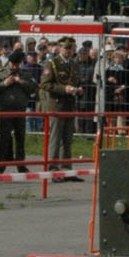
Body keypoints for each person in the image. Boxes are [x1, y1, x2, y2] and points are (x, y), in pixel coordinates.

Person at [39, 36, 84, 173]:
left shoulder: (74, 64)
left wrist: (79, 89)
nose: (69, 51)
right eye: (66, 48)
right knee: (55, 138)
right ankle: (53, 167)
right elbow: (45, 84)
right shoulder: (52, 63)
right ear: (59, 48)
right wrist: (63, 89)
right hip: (56, 105)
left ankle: (66, 168)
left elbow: (76, 81)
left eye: (71, 48)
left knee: (68, 139)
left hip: (69, 105)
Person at [0, 49, 37, 172]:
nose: (14, 66)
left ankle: (20, 164)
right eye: (12, 64)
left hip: (20, 110)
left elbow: (34, 88)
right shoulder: (0, 73)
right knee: (4, 138)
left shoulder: (25, 74)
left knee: (20, 138)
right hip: (5, 110)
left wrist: (21, 82)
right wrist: (4, 83)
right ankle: (1, 165)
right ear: (9, 62)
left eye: (17, 64)